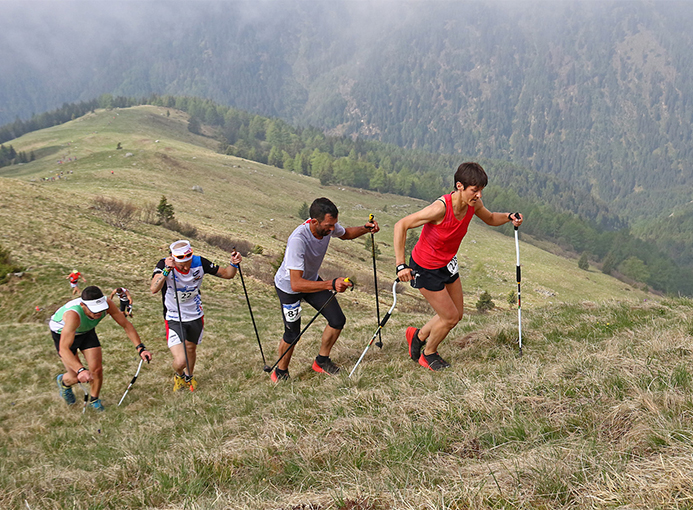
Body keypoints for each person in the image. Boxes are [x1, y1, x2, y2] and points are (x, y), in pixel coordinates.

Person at [394, 162, 523, 371]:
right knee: (450, 317)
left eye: (481, 190)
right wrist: (401, 265)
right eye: (475, 190)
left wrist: (509, 217)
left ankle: (417, 336)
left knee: (456, 314)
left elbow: (490, 218)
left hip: (448, 263)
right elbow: (401, 225)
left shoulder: (473, 205)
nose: (479, 195)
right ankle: (428, 354)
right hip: (426, 267)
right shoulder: (440, 208)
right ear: (459, 186)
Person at [272, 197, 379, 382]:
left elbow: (345, 234)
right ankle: (281, 372)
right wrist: (331, 284)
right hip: (289, 287)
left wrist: (365, 228)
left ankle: (321, 361)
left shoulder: (327, 227)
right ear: (314, 221)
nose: (332, 229)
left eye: (334, 225)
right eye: (329, 225)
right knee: (293, 334)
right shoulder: (298, 240)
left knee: (337, 320)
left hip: (311, 281)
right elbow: (296, 284)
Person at [151, 240, 242, 392]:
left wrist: (234, 263)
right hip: (174, 316)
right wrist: (167, 270)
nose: (186, 267)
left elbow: (227, 274)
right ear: (173, 258)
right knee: (180, 361)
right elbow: (154, 288)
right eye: (182, 265)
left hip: (195, 314)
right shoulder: (164, 264)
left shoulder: (200, 262)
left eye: (188, 262)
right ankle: (179, 375)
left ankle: (189, 377)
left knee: (191, 349)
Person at [51, 285, 152, 411]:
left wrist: (140, 348)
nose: (99, 313)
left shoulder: (108, 303)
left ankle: (94, 400)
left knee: (96, 369)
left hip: (86, 331)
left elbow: (126, 325)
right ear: (83, 305)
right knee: (74, 377)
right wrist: (80, 370)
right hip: (63, 334)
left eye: (101, 309)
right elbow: (64, 349)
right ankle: (64, 382)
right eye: (94, 310)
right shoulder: (73, 315)